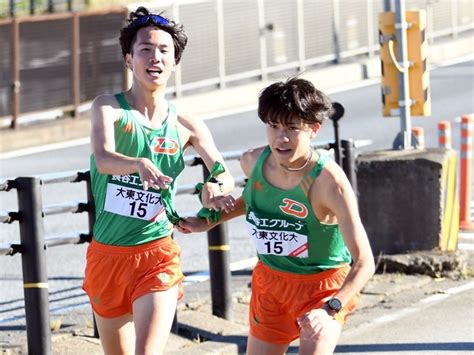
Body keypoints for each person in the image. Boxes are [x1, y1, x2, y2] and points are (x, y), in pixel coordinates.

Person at [179, 77, 375, 355]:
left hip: (323, 287)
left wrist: (332, 306)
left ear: (313, 130)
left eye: (292, 128)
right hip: (271, 282)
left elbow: (365, 262)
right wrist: (207, 221)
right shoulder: (252, 162)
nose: (281, 138)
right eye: (273, 126)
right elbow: (252, 201)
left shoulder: (330, 182)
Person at [82, 7, 235, 355]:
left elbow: (224, 174)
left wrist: (214, 187)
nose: (155, 57)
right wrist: (138, 164)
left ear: (175, 62)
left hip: (156, 256)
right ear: (129, 59)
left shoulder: (187, 123)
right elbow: (104, 160)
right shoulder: (109, 108)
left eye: (164, 50)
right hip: (107, 256)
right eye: (145, 49)